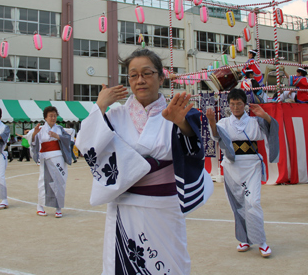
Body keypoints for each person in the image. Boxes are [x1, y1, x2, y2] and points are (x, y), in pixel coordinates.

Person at [76, 48, 213, 274]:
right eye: (133, 75)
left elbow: (198, 150)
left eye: (147, 73)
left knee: (170, 264)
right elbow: (86, 147)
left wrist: (183, 125)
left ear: (161, 77)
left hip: (164, 207)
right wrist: (99, 107)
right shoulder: (114, 115)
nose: (140, 80)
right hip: (124, 206)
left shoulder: (177, 112)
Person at [206, 88, 279, 257]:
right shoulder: (224, 122)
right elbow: (216, 136)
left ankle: (261, 241)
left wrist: (265, 116)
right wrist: (211, 121)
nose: (236, 107)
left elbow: (271, 128)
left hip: (251, 165)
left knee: (253, 202)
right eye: (232, 104)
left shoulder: (255, 122)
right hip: (232, 166)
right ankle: (244, 238)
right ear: (229, 105)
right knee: (238, 204)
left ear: (245, 105)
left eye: (239, 104)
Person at [29, 107, 72, 218]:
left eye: (54, 115)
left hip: (59, 157)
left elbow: (68, 139)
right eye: (50, 116)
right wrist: (34, 134)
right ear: (45, 117)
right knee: (44, 182)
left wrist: (57, 136)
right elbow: (33, 142)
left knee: (60, 181)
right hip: (46, 158)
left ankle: (58, 208)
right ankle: (40, 206)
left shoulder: (60, 129)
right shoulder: (41, 129)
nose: (53, 118)